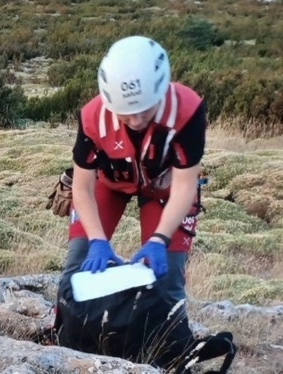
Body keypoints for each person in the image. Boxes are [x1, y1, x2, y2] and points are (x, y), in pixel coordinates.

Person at [50, 35, 208, 309]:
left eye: (144, 111)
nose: (135, 121)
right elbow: (83, 187)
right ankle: (65, 337)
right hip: (110, 183)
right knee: (78, 266)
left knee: (168, 278)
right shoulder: (91, 117)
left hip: (165, 189)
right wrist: (97, 240)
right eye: (125, 114)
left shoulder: (187, 110)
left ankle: (167, 347)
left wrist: (159, 239)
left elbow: (185, 185)